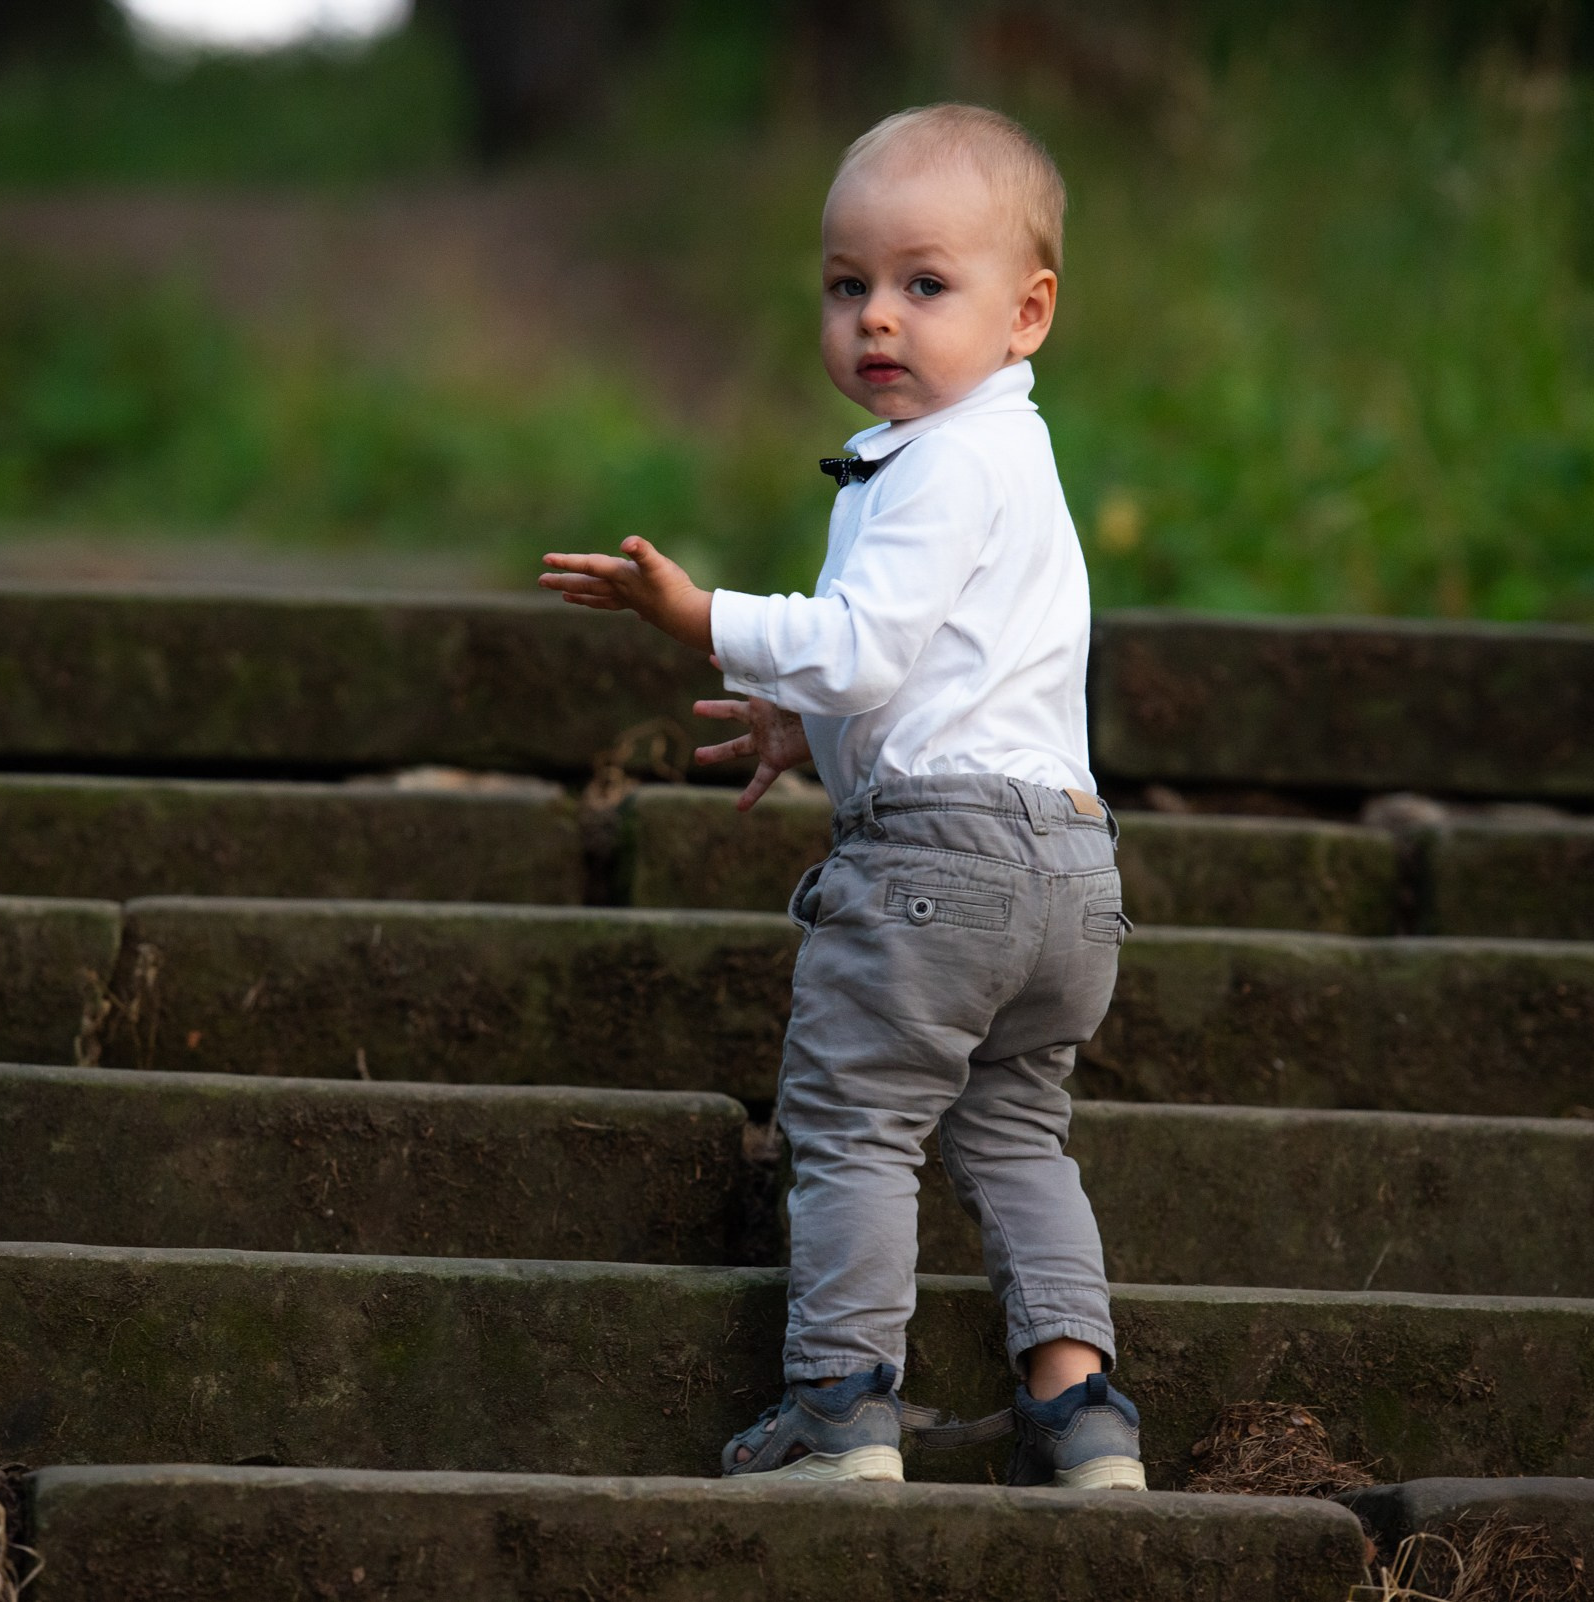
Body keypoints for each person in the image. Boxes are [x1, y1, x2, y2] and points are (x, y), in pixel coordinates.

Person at [538, 103, 1141, 1491]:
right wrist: (809, 731)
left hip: (942, 866)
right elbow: (959, 671)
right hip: (1069, 869)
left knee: (857, 1115)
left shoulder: (937, 464)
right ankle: (1082, 1408)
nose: (878, 317)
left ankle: (842, 1397)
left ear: (1027, 312)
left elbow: (868, 642)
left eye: (926, 286)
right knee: (1015, 1129)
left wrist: (704, 619)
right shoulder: (1015, 459)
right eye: (848, 284)